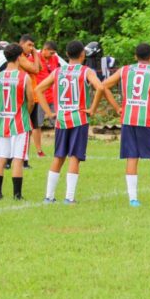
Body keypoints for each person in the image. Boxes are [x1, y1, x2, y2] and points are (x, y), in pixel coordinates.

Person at [98, 43, 150, 207]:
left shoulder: (125, 70)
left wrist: (117, 107)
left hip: (128, 119)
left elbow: (103, 86)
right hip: (148, 120)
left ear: (135, 56)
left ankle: (133, 199)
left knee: (132, 157)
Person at [35, 41, 103, 204]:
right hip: (78, 119)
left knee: (58, 156)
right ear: (82, 55)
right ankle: (69, 197)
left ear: (66, 54)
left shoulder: (58, 71)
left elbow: (38, 89)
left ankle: (49, 196)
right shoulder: (85, 71)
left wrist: (49, 112)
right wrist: (92, 108)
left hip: (61, 120)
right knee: (75, 157)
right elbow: (100, 87)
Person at [0, 44, 34, 200]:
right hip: (19, 123)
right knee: (18, 158)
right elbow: (31, 100)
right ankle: (17, 195)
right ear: (19, 57)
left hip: (3, 121)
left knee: (1, 157)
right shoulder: (24, 77)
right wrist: (26, 114)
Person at [19, 34, 42, 166]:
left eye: (33, 45)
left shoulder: (29, 57)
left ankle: (25, 159)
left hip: (32, 96)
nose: (31, 48)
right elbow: (35, 69)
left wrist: (34, 55)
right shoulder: (20, 58)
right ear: (21, 44)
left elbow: (39, 68)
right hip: (24, 97)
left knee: (29, 128)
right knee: (22, 127)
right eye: (29, 45)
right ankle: (13, 159)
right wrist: (36, 54)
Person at [36, 41, 61, 131]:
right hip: (40, 96)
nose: (53, 55)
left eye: (54, 53)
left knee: (57, 122)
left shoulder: (55, 58)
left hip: (53, 95)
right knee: (37, 124)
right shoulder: (35, 58)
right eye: (51, 53)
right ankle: (38, 145)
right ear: (45, 50)